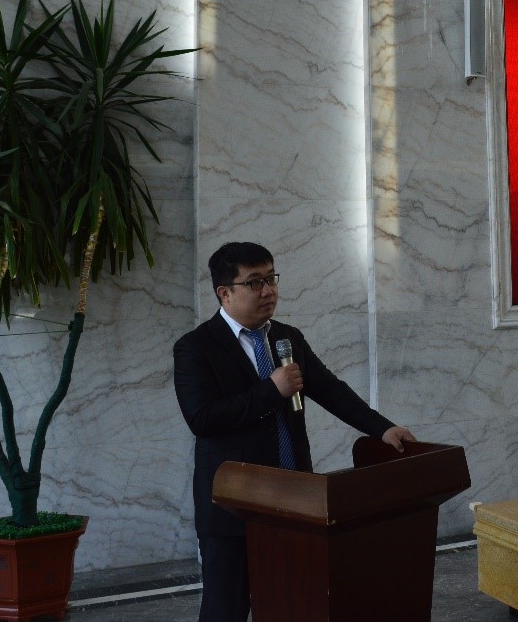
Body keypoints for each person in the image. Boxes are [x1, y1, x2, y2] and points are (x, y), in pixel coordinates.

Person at [173, 241, 416, 622]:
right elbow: (202, 419)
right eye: (254, 282)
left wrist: (382, 429)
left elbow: (331, 390)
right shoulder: (195, 347)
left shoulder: (287, 338)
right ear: (225, 292)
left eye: (271, 278)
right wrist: (272, 390)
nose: (268, 290)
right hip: (233, 504)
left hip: (295, 497)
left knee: (295, 602)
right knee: (225, 610)